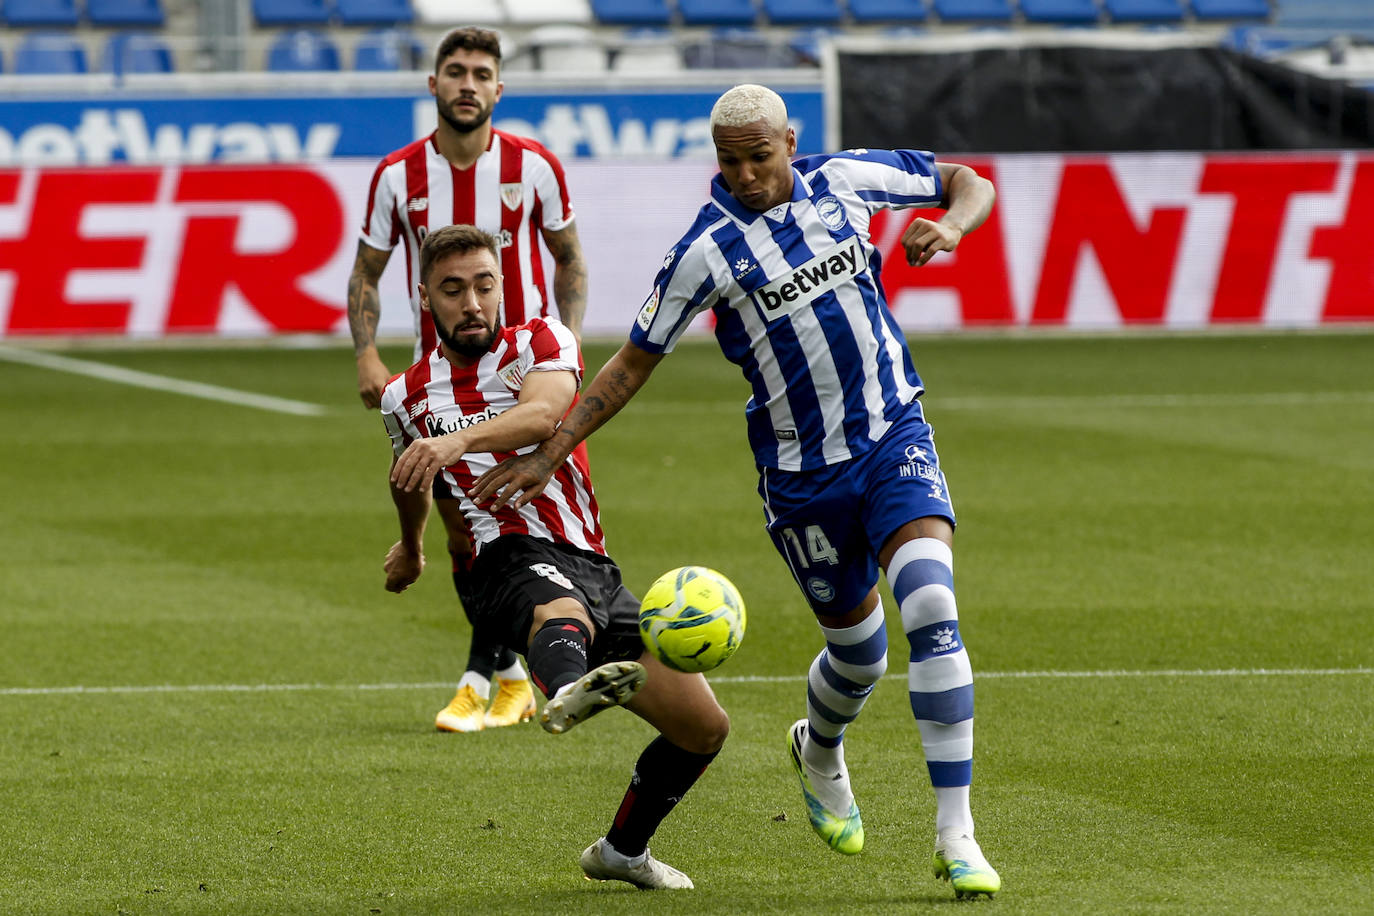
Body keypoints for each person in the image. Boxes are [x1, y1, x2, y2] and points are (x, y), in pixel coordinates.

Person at [466, 85, 1002, 899]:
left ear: (790, 141)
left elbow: (968, 180)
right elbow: (631, 365)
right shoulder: (703, 253)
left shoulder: (850, 180)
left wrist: (953, 225)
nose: (748, 175)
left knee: (931, 605)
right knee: (859, 658)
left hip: (895, 436)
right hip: (802, 481)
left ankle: (956, 834)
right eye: (730, 161)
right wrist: (552, 452)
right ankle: (819, 747)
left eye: (761, 156)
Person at [381, 225, 729, 890]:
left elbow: (545, 415)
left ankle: (622, 851)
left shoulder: (541, 341)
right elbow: (409, 473)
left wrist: (456, 445)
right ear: (426, 297)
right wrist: (415, 544)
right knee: (558, 611)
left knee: (704, 728)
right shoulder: (407, 396)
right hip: (497, 562)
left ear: (501, 286)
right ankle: (565, 687)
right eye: (453, 289)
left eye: (484, 285)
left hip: (588, 559)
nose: (472, 302)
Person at [348, 26, 589, 733]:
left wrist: (567, 343)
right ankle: (511, 676)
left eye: (481, 73)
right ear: (434, 84)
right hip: (439, 388)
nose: (466, 84)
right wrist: (367, 352)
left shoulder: (534, 166)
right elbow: (366, 272)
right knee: (462, 536)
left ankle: (482, 676)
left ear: (498, 89)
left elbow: (570, 258)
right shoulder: (398, 176)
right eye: (454, 71)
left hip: (524, 376)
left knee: (521, 526)